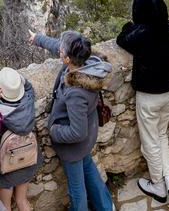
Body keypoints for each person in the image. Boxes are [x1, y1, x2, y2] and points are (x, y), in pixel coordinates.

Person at [117, 0, 169, 210]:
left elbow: (122, 37)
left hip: (149, 97)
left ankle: (158, 185)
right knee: (162, 135)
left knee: (150, 142)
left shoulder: (140, 36)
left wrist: (131, 25)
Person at [29, 29, 114, 211]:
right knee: (89, 170)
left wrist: (54, 131)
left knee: (77, 189)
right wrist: (37, 39)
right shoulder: (86, 63)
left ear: (67, 59)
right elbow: (57, 46)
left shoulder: (76, 92)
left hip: (73, 147)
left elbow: (77, 132)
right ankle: (106, 207)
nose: (59, 51)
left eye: (61, 52)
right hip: (86, 142)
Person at [0, 67, 41, 211]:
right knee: (22, 202)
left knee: (5, 207)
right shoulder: (28, 101)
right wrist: (17, 81)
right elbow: (28, 86)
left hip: (5, 168)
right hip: (26, 161)